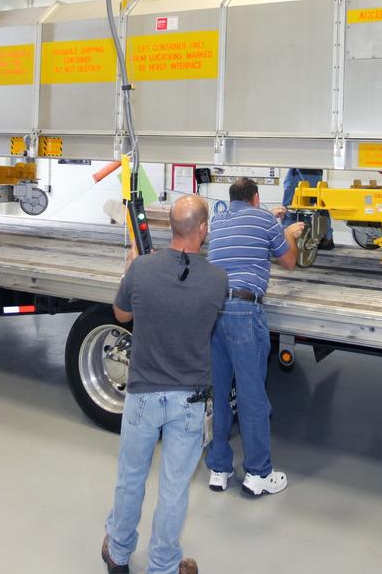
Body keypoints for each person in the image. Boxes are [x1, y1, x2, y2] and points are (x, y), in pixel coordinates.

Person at [103, 195, 226, 574]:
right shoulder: (218, 280)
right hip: (190, 399)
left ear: (170, 227)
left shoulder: (141, 269)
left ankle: (118, 555)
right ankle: (164, 566)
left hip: (143, 394)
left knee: (131, 476)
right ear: (202, 229)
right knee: (174, 486)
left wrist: (129, 271)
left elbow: (121, 313)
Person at [204, 177, 304, 497]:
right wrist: (288, 232)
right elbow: (289, 261)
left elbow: (249, 235)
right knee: (251, 397)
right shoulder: (263, 219)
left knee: (220, 394)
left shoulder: (219, 220)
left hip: (214, 309)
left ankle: (218, 469)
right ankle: (259, 474)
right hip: (244, 313)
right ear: (256, 198)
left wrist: (270, 222)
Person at [281, 168, 334, 250]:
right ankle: (290, 235)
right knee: (292, 197)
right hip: (296, 163)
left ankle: (325, 237)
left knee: (314, 198)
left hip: (308, 161)